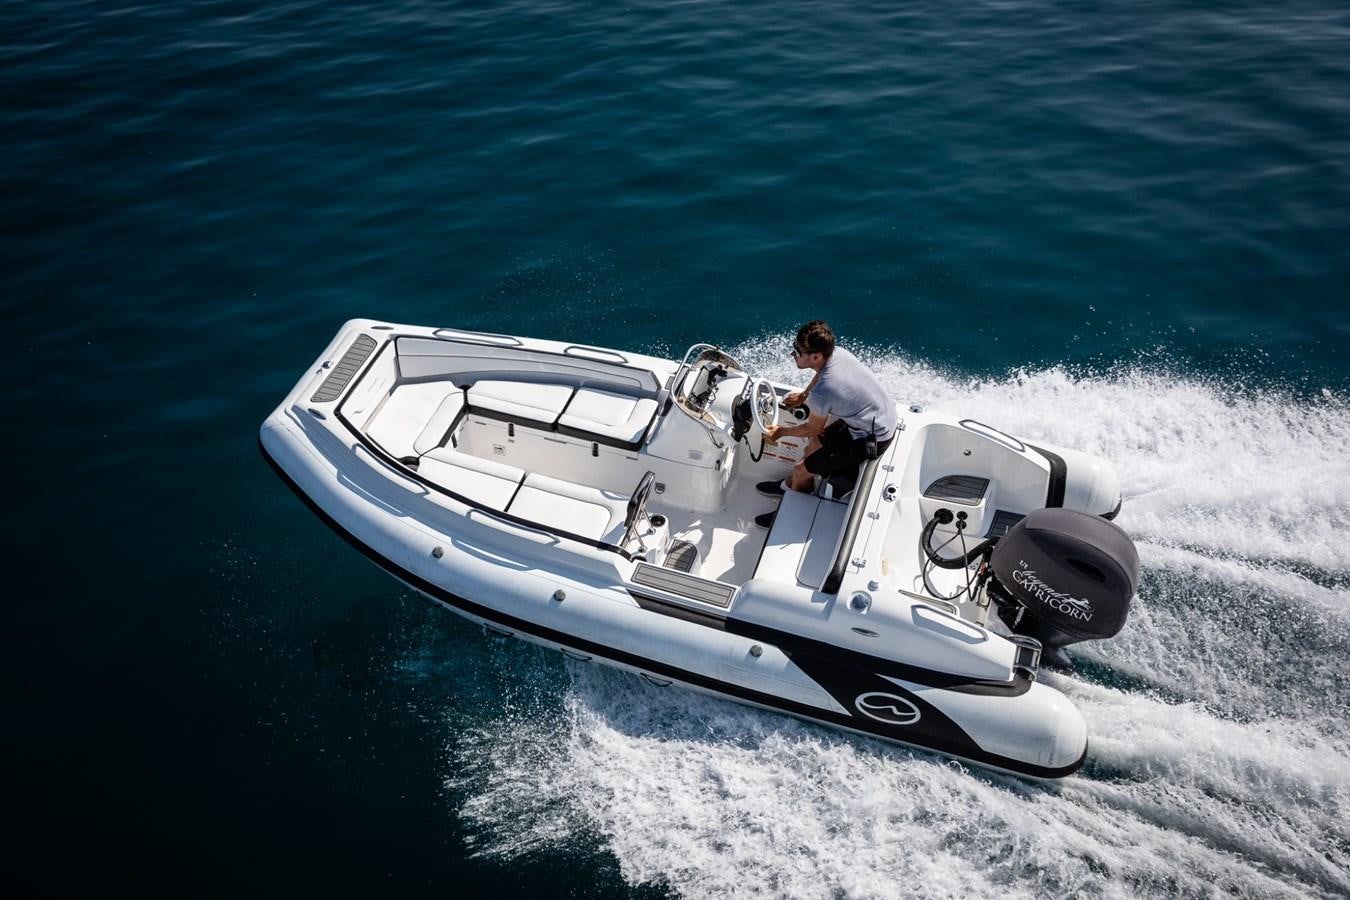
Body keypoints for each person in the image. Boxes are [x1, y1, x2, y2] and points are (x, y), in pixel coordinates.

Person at [754, 320, 897, 527]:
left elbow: (813, 427)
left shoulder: (823, 393)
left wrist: (781, 432)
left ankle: (790, 515)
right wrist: (803, 395)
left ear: (815, 356)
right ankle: (790, 486)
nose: (792, 354)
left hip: (871, 438)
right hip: (873, 419)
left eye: (797, 351)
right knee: (813, 445)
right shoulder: (837, 353)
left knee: (802, 468)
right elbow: (821, 375)